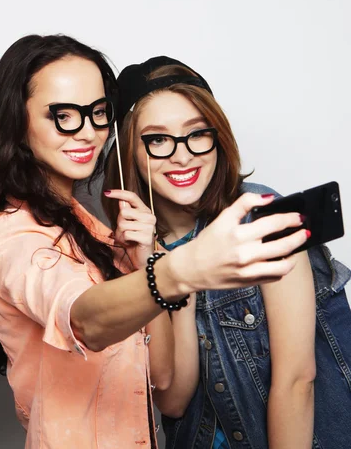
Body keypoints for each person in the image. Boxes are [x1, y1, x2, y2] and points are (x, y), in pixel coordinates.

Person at [0, 34, 308, 449]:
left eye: (97, 113)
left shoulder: (96, 232)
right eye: (63, 115)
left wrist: (149, 257)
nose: (87, 131)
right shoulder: (13, 233)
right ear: (17, 124)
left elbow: (162, 379)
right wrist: (180, 270)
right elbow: (84, 320)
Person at [104, 55, 351, 448]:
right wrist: (159, 267)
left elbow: (296, 380)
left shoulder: (259, 217)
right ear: (130, 150)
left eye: (197, 133)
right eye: (158, 140)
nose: (182, 155)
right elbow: (173, 399)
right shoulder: (132, 249)